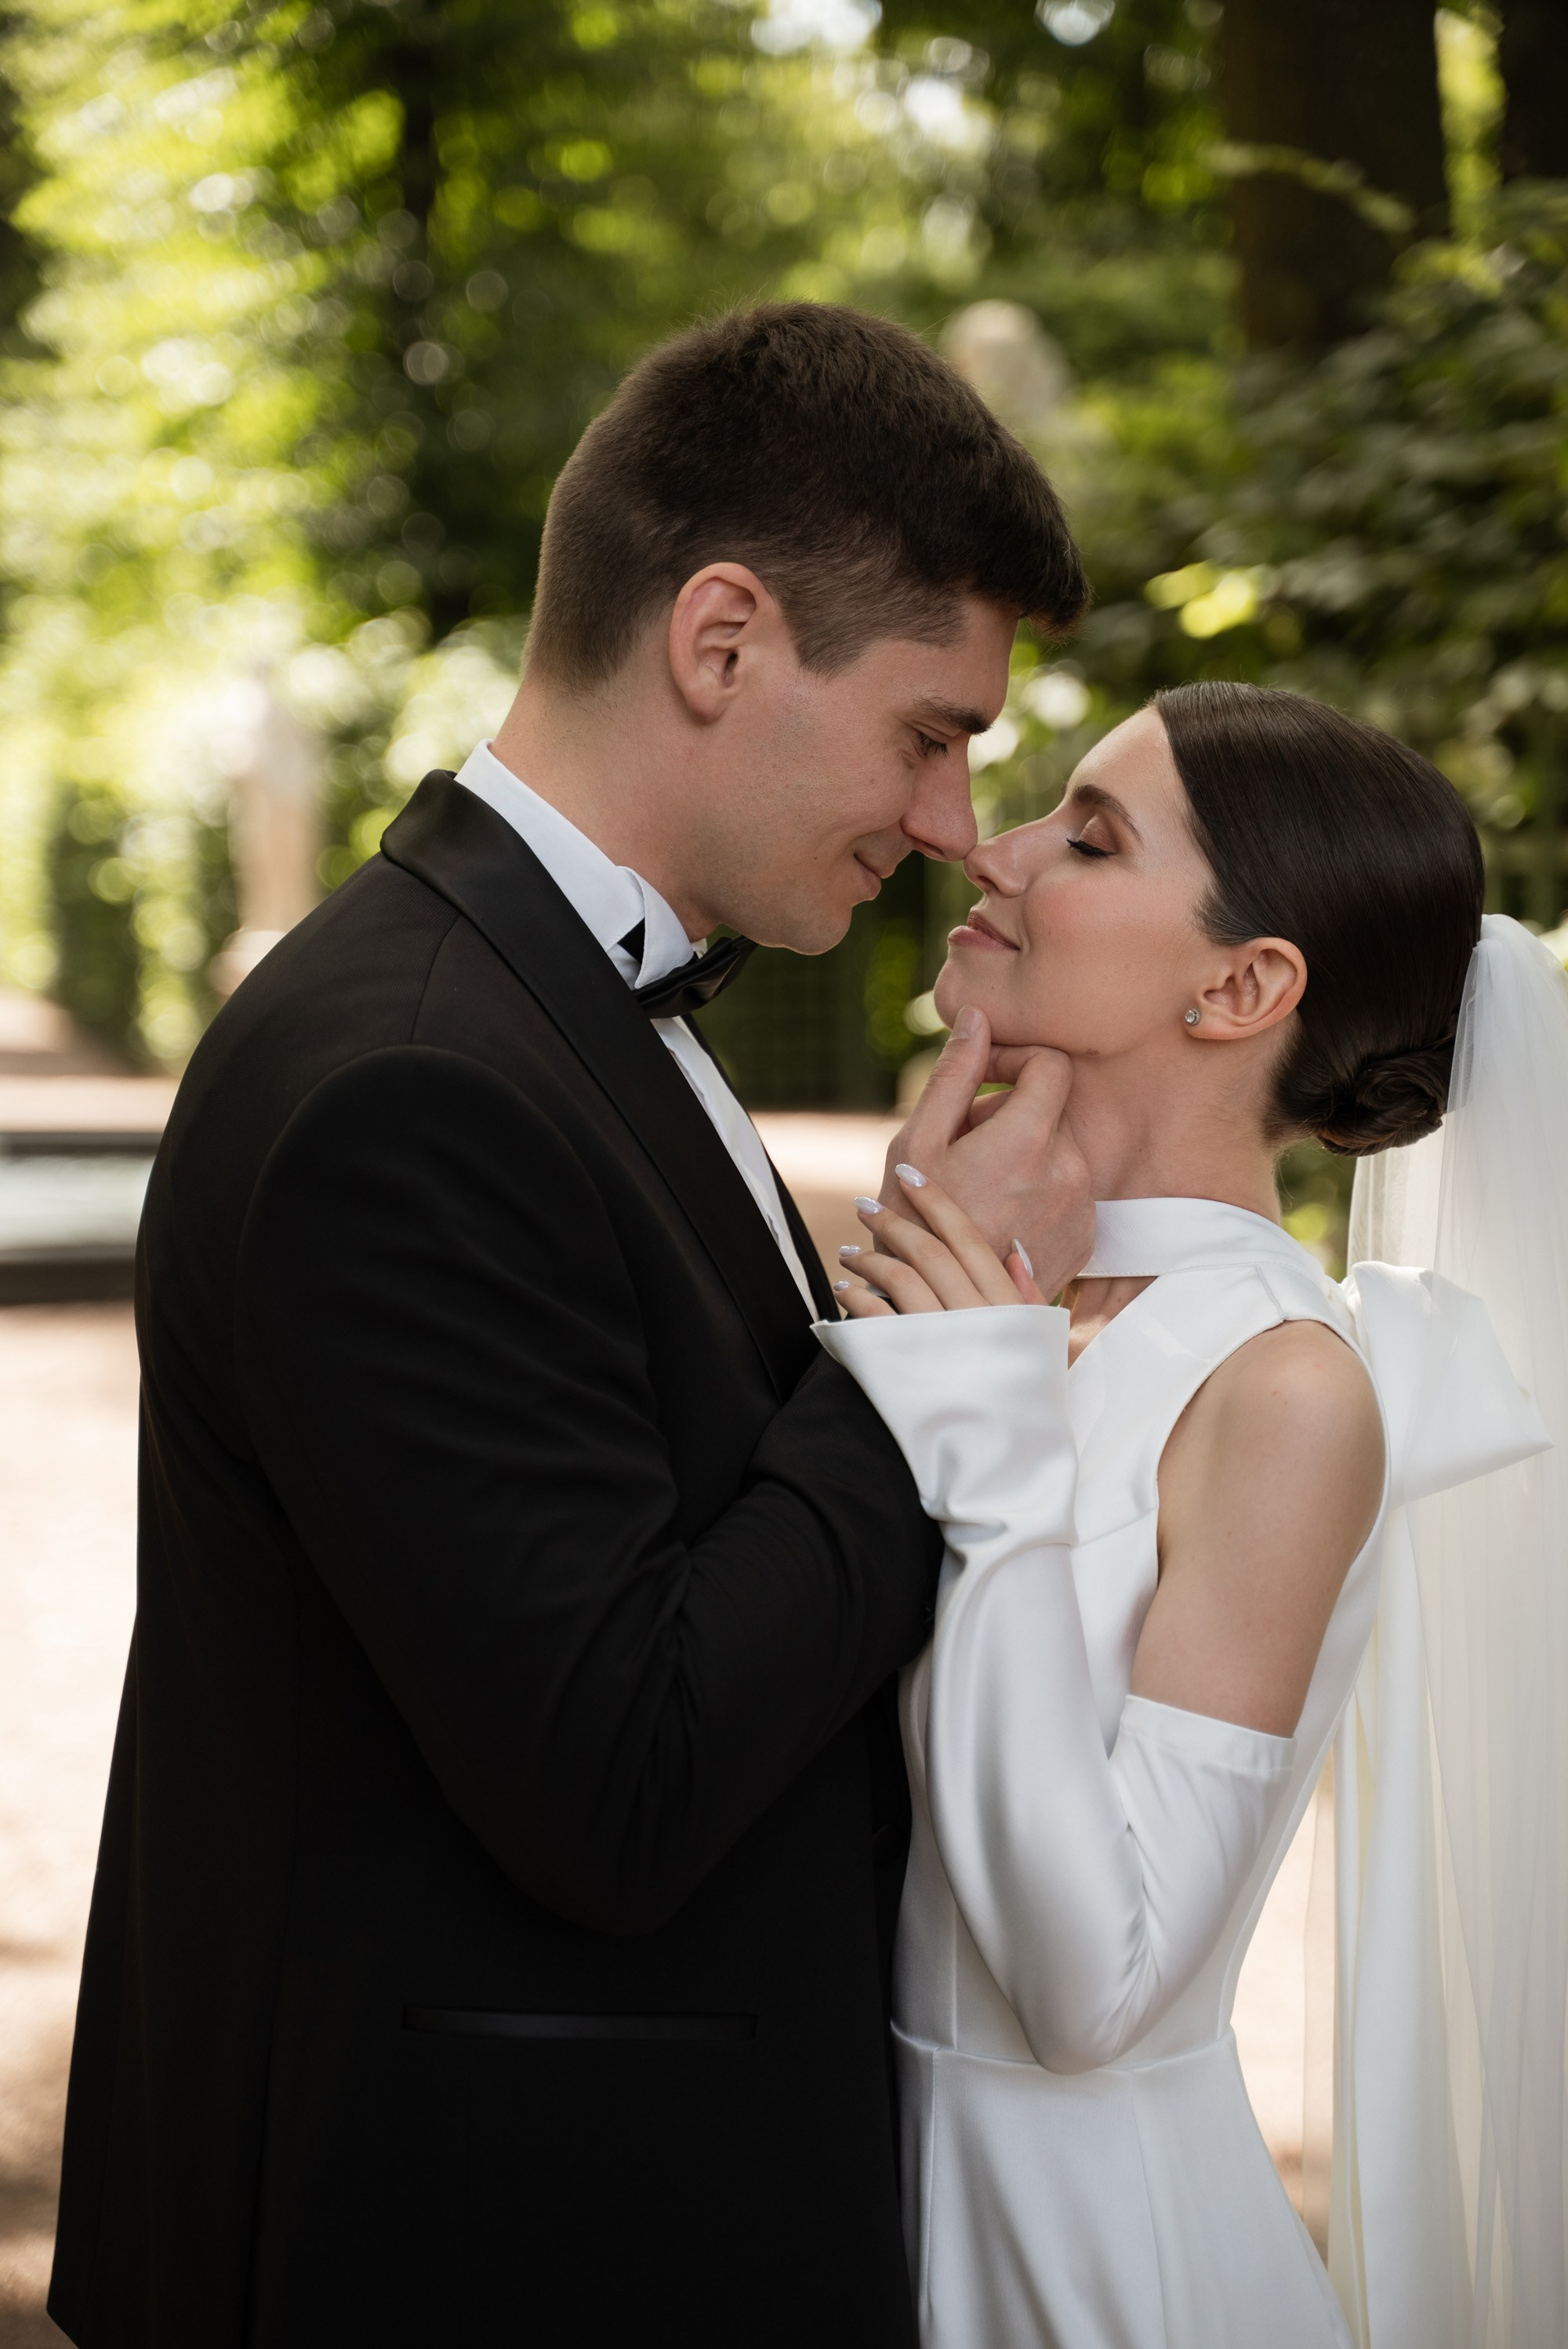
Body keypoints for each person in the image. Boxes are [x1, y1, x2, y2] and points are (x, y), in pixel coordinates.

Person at [46, 304, 1096, 2348]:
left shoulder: (524, 1002)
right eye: (931, 728)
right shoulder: (411, 1084)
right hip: (471, 2242)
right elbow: (621, 1765)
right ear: (719, 639)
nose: (962, 818)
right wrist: (941, 1356)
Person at [820, 681, 1555, 2347]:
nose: (991, 852)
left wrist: (987, 1448)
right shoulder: (998, 1299)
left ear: (1240, 983)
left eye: (1086, 836)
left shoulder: (1286, 1391)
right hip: (863, 2205)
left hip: (1091, 2265)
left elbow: (1091, 1991)